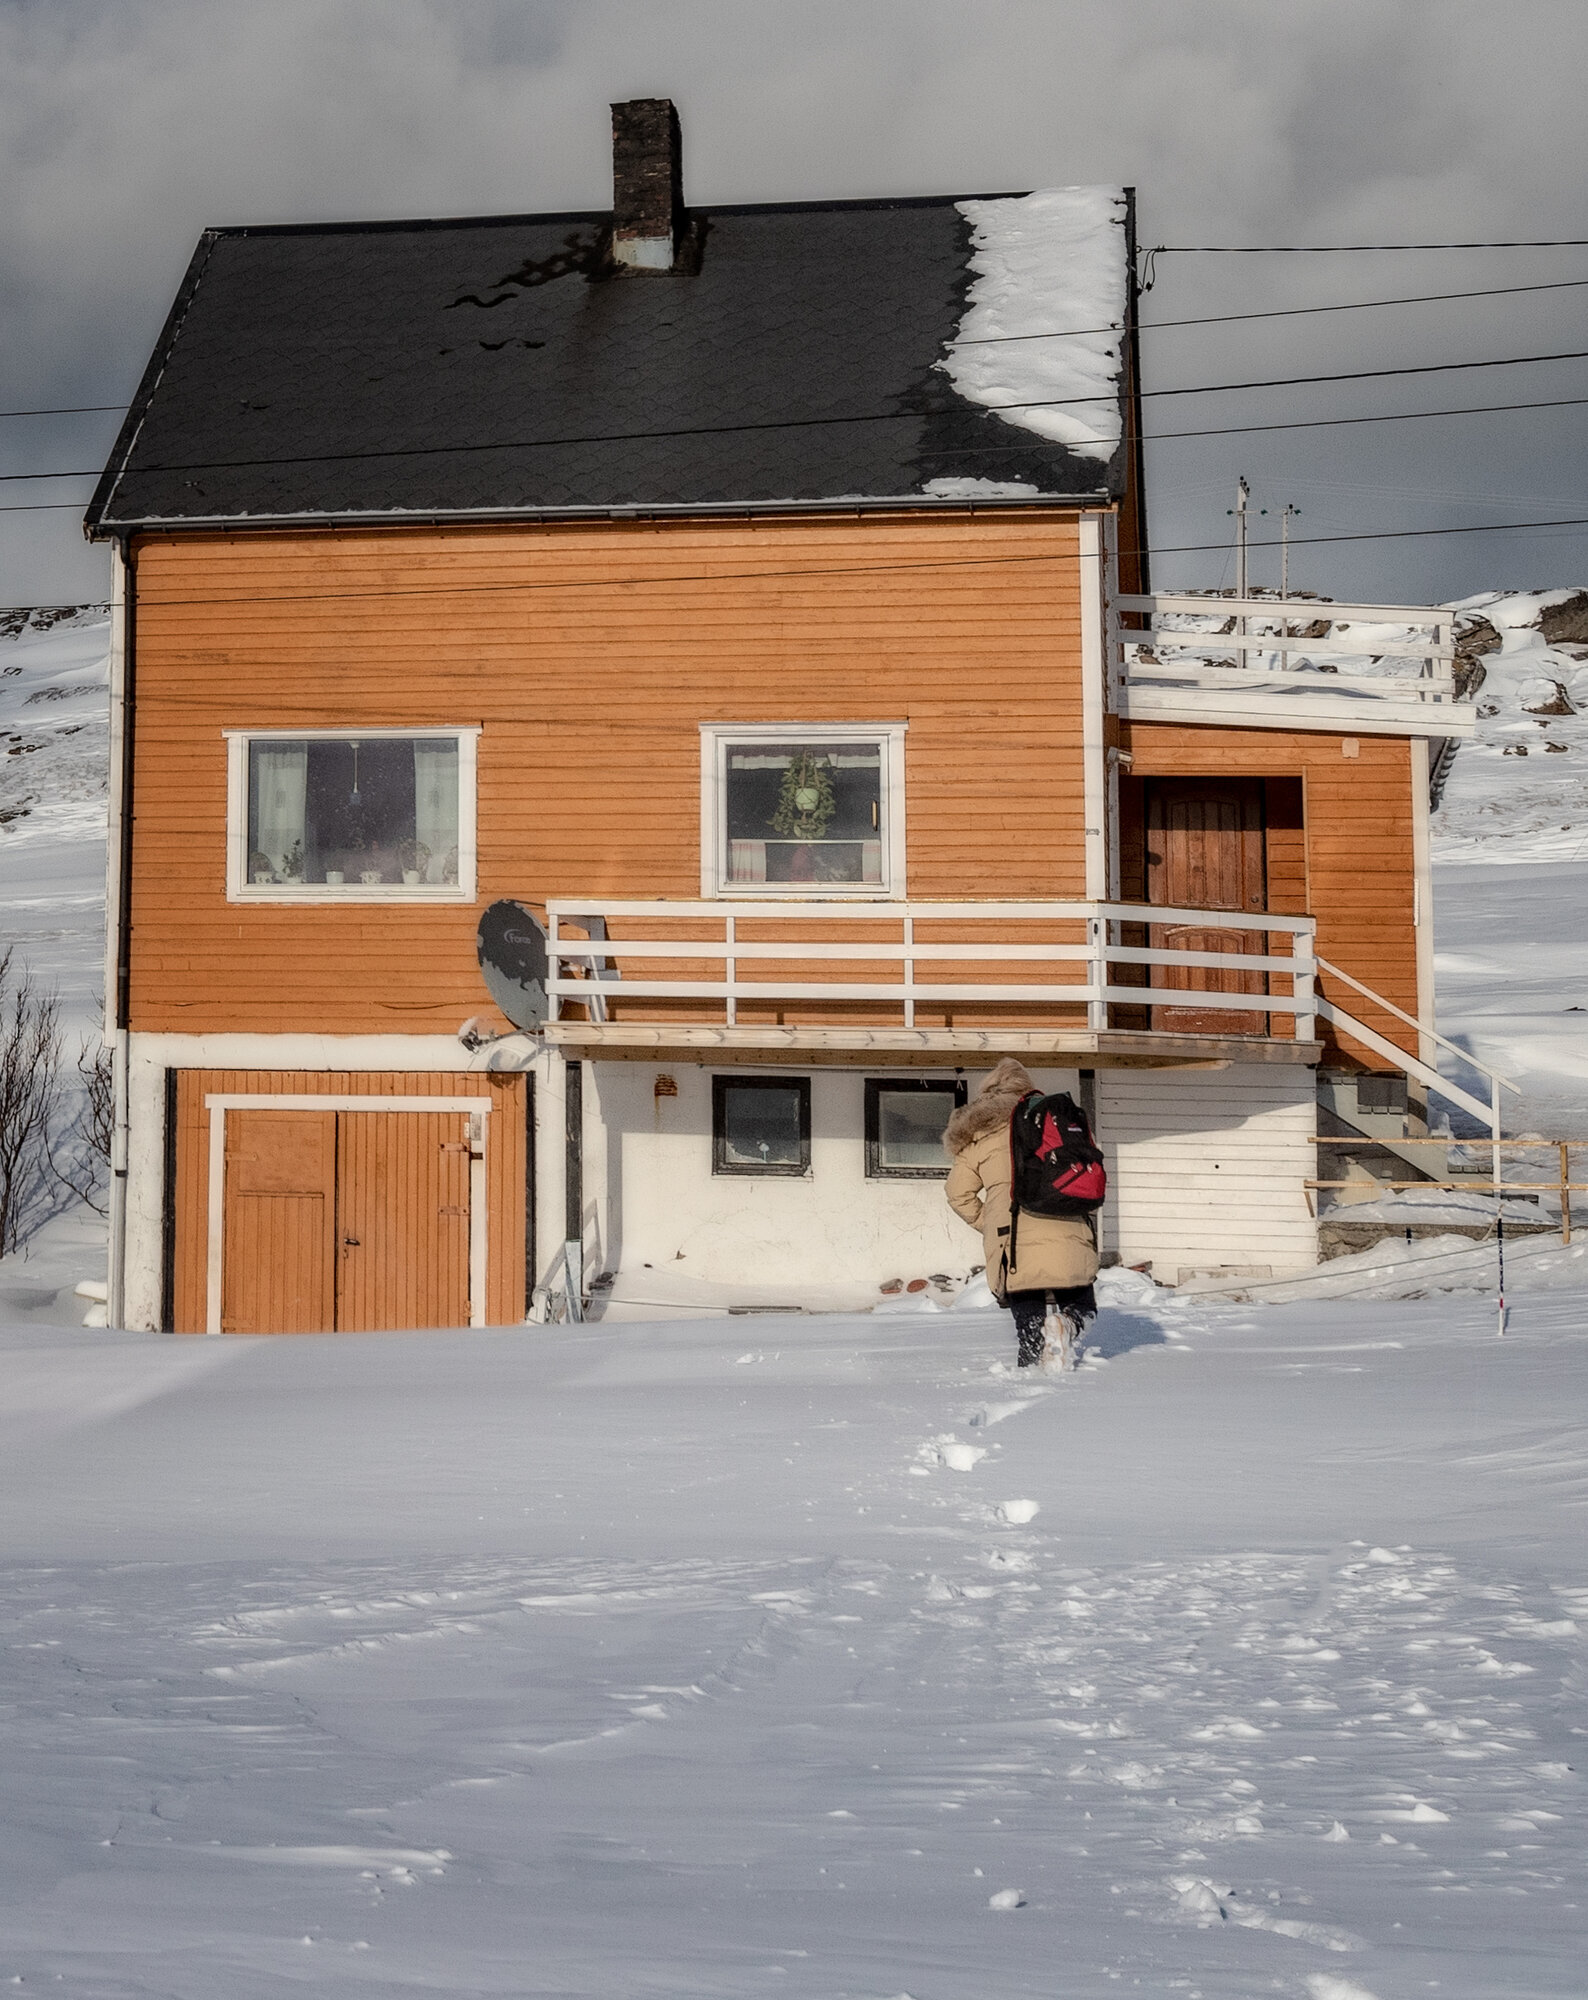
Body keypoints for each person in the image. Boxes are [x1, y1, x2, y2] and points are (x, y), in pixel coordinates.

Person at [944, 1058, 1099, 1369]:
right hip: (1068, 1226)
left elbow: (958, 1194)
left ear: (988, 1091)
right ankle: (1067, 1325)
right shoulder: (1053, 1120)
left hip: (1013, 1240)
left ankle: (1029, 1373)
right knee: (1082, 1305)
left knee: (1028, 1320)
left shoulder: (978, 1133)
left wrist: (989, 1222)